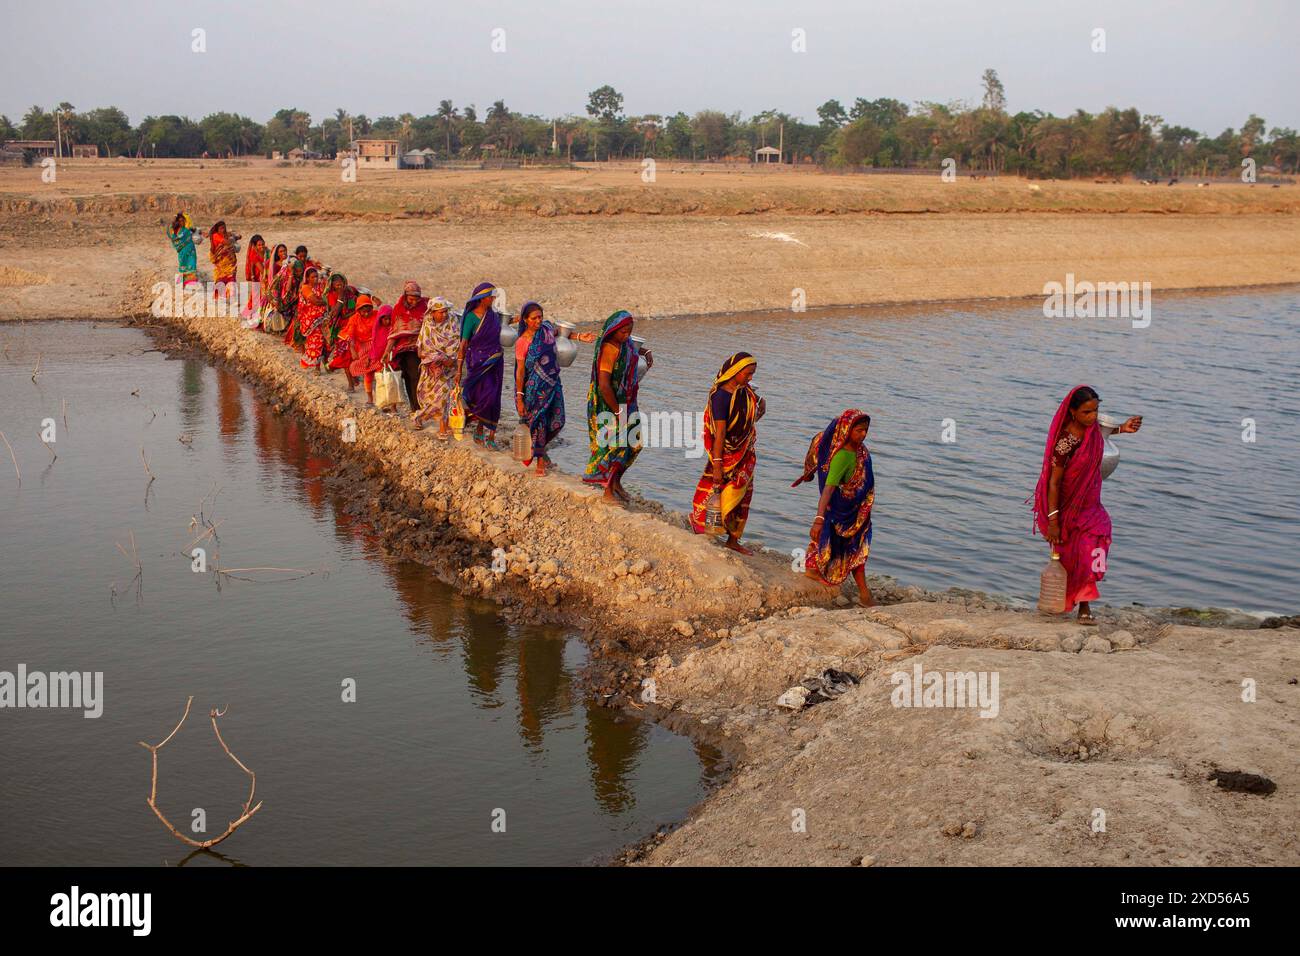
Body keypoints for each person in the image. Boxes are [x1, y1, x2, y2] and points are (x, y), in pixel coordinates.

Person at [1032, 385, 1143, 625]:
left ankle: (1085, 603)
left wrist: (1123, 428)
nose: (1093, 417)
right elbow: (1054, 483)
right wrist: (1053, 521)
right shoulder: (1065, 444)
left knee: (1097, 545)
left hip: (1091, 507)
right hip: (1066, 509)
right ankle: (1073, 603)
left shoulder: (1093, 430)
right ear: (1072, 412)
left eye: (1095, 410)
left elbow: (1104, 432)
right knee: (1071, 557)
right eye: (1086, 412)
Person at [792, 409, 876, 607]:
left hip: (856, 511)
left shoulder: (860, 451)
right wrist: (819, 519)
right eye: (859, 431)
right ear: (847, 430)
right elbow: (829, 490)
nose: (863, 435)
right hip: (842, 512)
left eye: (866, 430)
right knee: (856, 550)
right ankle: (865, 595)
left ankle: (815, 569)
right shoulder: (842, 457)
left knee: (853, 550)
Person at [690, 352, 765, 553]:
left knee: (743, 498)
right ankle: (701, 525)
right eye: (748, 374)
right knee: (720, 492)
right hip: (726, 454)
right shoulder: (721, 396)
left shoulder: (744, 391)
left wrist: (761, 402)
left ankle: (733, 540)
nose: (750, 378)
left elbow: (754, 401)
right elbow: (720, 432)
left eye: (752, 374)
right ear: (734, 371)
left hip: (745, 451)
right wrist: (717, 463)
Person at [512, 301, 595, 475]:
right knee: (540, 423)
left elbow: (559, 333)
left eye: (540, 317)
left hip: (553, 383)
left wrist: (580, 337)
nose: (538, 321)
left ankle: (536, 449)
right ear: (525, 320)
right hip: (534, 389)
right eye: (534, 318)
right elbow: (520, 371)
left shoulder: (546, 330)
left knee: (558, 421)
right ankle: (541, 461)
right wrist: (519, 398)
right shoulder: (522, 342)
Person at [583, 309, 652, 502]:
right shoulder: (608, 349)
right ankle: (607, 491)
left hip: (627, 401)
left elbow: (632, 347)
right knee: (615, 446)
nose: (627, 335)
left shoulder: (625, 344)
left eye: (629, 331)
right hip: (608, 403)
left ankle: (616, 482)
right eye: (623, 332)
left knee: (635, 444)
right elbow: (604, 385)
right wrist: (617, 411)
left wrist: (645, 351)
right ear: (613, 330)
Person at [456, 282, 505, 447]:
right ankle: (478, 427)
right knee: (481, 397)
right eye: (491, 296)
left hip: (495, 361)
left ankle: (490, 435)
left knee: (494, 397)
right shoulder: (470, 318)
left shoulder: (494, 316)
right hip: (477, 362)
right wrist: (458, 370)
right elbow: (463, 344)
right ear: (482, 298)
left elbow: (504, 326)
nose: (493, 299)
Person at [411, 297, 460, 437]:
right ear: (432, 312)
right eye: (440, 312)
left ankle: (443, 427)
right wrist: (433, 358)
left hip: (449, 368)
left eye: (445, 311)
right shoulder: (427, 324)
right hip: (431, 369)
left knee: (444, 396)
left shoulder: (452, 322)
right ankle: (419, 416)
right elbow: (420, 348)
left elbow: (457, 343)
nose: (444, 315)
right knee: (430, 398)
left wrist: (448, 358)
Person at [387, 280, 428, 412]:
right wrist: (386, 352)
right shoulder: (398, 309)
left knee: (416, 376)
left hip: (419, 347)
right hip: (402, 350)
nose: (414, 301)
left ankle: (418, 407)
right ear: (405, 296)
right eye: (411, 298)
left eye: (417, 298)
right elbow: (394, 333)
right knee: (407, 377)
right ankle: (414, 406)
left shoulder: (426, 306)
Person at [339, 296, 379, 400]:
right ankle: (370, 398)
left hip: (376, 345)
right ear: (358, 310)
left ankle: (382, 397)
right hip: (363, 347)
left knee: (380, 372)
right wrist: (352, 350)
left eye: (369, 311)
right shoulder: (354, 319)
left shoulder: (376, 315)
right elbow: (351, 335)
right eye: (363, 312)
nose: (366, 314)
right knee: (367, 372)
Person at [295, 266, 330, 371]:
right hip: (311, 321)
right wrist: (327, 301)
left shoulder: (320, 286)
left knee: (325, 342)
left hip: (322, 318)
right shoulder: (306, 288)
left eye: (316, 277)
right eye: (313, 277)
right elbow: (316, 302)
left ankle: (324, 364)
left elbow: (327, 293)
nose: (315, 279)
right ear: (308, 278)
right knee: (316, 342)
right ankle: (317, 367)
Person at [323, 272, 358, 374]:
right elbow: (336, 312)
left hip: (351, 322)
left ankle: (350, 372)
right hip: (339, 325)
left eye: (341, 284)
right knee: (338, 349)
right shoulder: (331, 295)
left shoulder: (349, 291)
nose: (340, 287)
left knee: (349, 351)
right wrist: (341, 297)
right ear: (332, 285)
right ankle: (329, 364)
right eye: (337, 285)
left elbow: (351, 307)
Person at [207, 220, 240, 305]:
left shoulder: (226, 235)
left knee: (231, 279)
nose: (223, 230)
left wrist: (234, 236)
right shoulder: (215, 236)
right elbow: (226, 242)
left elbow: (240, 236)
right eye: (221, 228)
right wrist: (233, 238)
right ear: (217, 230)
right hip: (220, 264)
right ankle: (219, 299)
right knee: (221, 281)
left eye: (224, 228)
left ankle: (232, 298)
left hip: (230, 264)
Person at [166, 212, 203, 286]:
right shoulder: (174, 232)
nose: (182, 222)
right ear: (177, 222)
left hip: (191, 252)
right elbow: (170, 233)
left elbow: (197, 233)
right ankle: (183, 284)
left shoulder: (186, 230)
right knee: (184, 268)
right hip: (182, 253)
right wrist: (174, 218)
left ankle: (191, 284)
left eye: (183, 221)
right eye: (180, 221)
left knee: (192, 267)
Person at [243, 234, 266, 316]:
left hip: (262, 275)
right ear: (255, 246)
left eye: (263, 244)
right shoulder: (254, 255)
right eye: (259, 245)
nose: (262, 246)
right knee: (256, 295)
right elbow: (262, 270)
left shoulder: (267, 251)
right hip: (259, 276)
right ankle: (251, 312)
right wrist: (253, 276)